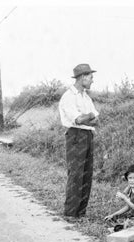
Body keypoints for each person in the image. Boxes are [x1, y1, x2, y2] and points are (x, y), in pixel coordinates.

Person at [58, 63, 99, 218]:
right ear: (82, 77)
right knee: (76, 175)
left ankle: (81, 213)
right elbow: (79, 119)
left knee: (87, 175)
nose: (92, 81)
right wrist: (88, 116)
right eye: (90, 77)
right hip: (76, 136)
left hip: (88, 135)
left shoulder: (85, 97)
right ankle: (70, 213)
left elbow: (95, 120)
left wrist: (86, 117)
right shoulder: (69, 97)